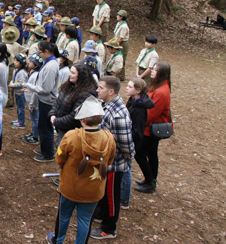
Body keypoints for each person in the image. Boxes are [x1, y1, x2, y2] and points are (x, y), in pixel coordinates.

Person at [46, 96, 116, 244]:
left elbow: (60, 157)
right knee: (85, 220)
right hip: (94, 189)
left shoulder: (72, 136)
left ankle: (58, 240)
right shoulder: (109, 138)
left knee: (64, 215)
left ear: (82, 119)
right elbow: (110, 160)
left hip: (70, 187)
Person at [91, 76, 134, 240]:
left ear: (111, 91)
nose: (97, 90)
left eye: (100, 88)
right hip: (106, 161)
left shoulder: (118, 116)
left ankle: (108, 228)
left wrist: (126, 160)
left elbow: (126, 144)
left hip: (114, 164)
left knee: (111, 196)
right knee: (104, 193)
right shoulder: (108, 105)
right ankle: (102, 216)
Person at [134, 62, 172, 194]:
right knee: (151, 154)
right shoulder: (157, 86)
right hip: (150, 128)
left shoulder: (161, 91)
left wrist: (137, 122)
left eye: (155, 70)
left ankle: (150, 181)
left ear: (162, 73)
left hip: (150, 129)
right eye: (153, 69)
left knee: (139, 154)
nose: (152, 72)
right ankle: (150, 179)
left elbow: (151, 114)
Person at [23, 41, 60, 162]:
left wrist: (29, 86)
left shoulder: (50, 66)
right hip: (44, 99)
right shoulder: (49, 63)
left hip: (47, 101)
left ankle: (48, 153)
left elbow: (46, 89)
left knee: (45, 127)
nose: (39, 55)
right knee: (42, 125)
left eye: (40, 53)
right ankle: (45, 148)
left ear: (47, 52)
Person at [120, 78, 154, 209]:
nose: (127, 88)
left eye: (130, 86)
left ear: (138, 90)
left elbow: (137, 132)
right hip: (128, 140)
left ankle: (124, 199)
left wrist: (129, 143)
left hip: (130, 143)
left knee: (126, 169)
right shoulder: (133, 101)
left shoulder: (139, 110)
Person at [49, 64, 98, 148]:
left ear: (81, 75)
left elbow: (74, 117)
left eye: (73, 73)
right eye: (70, 72)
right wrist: (52, 114)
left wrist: (56, 122)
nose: (69, 74)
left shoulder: (86, 94)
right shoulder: (68, 86)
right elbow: (58, 101)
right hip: (62, 130)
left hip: (73, 134)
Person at [20, 52, 44, 145]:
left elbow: (36, 91)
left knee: (35, 120)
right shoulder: (33, 73)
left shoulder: (36, 75)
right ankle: (34, 133)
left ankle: (35, 137)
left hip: (33, 103)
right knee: (33, 119)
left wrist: (32, 105)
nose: (29, 62)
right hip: (31, 101)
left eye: (31, 61)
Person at [9, 53, 29, 129]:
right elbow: (13, 79)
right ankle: (19, 120)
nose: (14, 62)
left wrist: (12, 85)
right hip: (17, 92)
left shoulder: (22, 72)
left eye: (16, 61)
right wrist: (11, 83)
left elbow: (21, 83)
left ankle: (21, 123)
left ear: (21, 63)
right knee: (18, 107)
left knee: (21, 108)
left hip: (21, 93)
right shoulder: (16, 70)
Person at [113, 10, 130, 81]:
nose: (117, 16)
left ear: (122, 17)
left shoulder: (124, 26)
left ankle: (121, 76)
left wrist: (116, 45)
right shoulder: (119, 24)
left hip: (122, 43)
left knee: (122, 59)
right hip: (117, 41)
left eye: (118, 15)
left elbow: (121, 38)